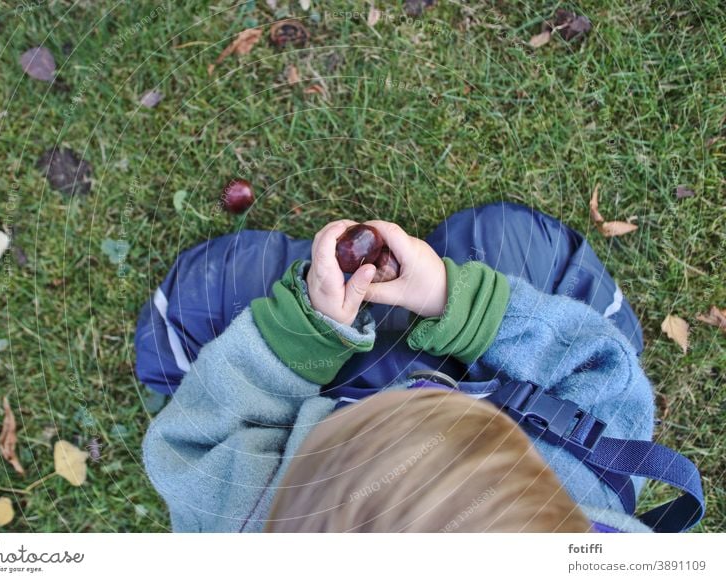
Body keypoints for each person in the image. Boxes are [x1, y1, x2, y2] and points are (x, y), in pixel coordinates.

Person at [137, 201, 657, 532]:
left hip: (308, 407)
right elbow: (606, 379)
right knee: (517, 246)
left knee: (188, 308)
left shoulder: (256, 520)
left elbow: (192, 447)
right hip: (506, 392)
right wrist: (459, 300)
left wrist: (302, 332)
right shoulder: (581, 491)